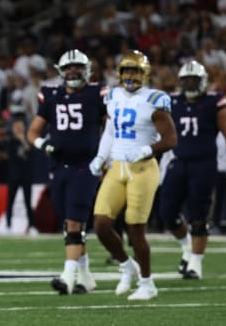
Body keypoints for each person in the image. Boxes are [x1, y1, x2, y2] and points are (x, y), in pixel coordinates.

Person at [88, 50, 177, 301]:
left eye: (135, 71)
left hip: (143, 169)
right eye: (127, 70)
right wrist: (100, 157)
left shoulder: (155, 99)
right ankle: (127, 266)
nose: (130, 75)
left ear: (144, 74)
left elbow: (171, 139)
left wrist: (145, 151)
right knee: (101, 224)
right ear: (119, 72)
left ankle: (147, 283)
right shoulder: (113, 95)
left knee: (135, 228)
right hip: (117, 166)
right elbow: (110, 131)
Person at [27, 49, 105, 295]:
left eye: (78, 67)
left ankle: (67, 277)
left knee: (74, 222)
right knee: (69, 223)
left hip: (85, 166)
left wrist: (105, 156)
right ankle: (86, 276)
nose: (73, 71)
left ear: (87, 70)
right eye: (69, 67)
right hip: (59, 167)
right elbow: (33, 133)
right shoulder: (51, 95)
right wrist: (43, 144)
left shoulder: (97, 94)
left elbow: (112, 125)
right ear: (61, 71)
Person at [160, 61, 226, 279]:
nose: (190, 84)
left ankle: (195, 262)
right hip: (178, 162)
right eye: (186, 80)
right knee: (167, 212)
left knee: (198, 215)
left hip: (203, 164)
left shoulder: (214, 102)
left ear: (202, 81)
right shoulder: (173, 102)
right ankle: (187, 246)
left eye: (194, 80)